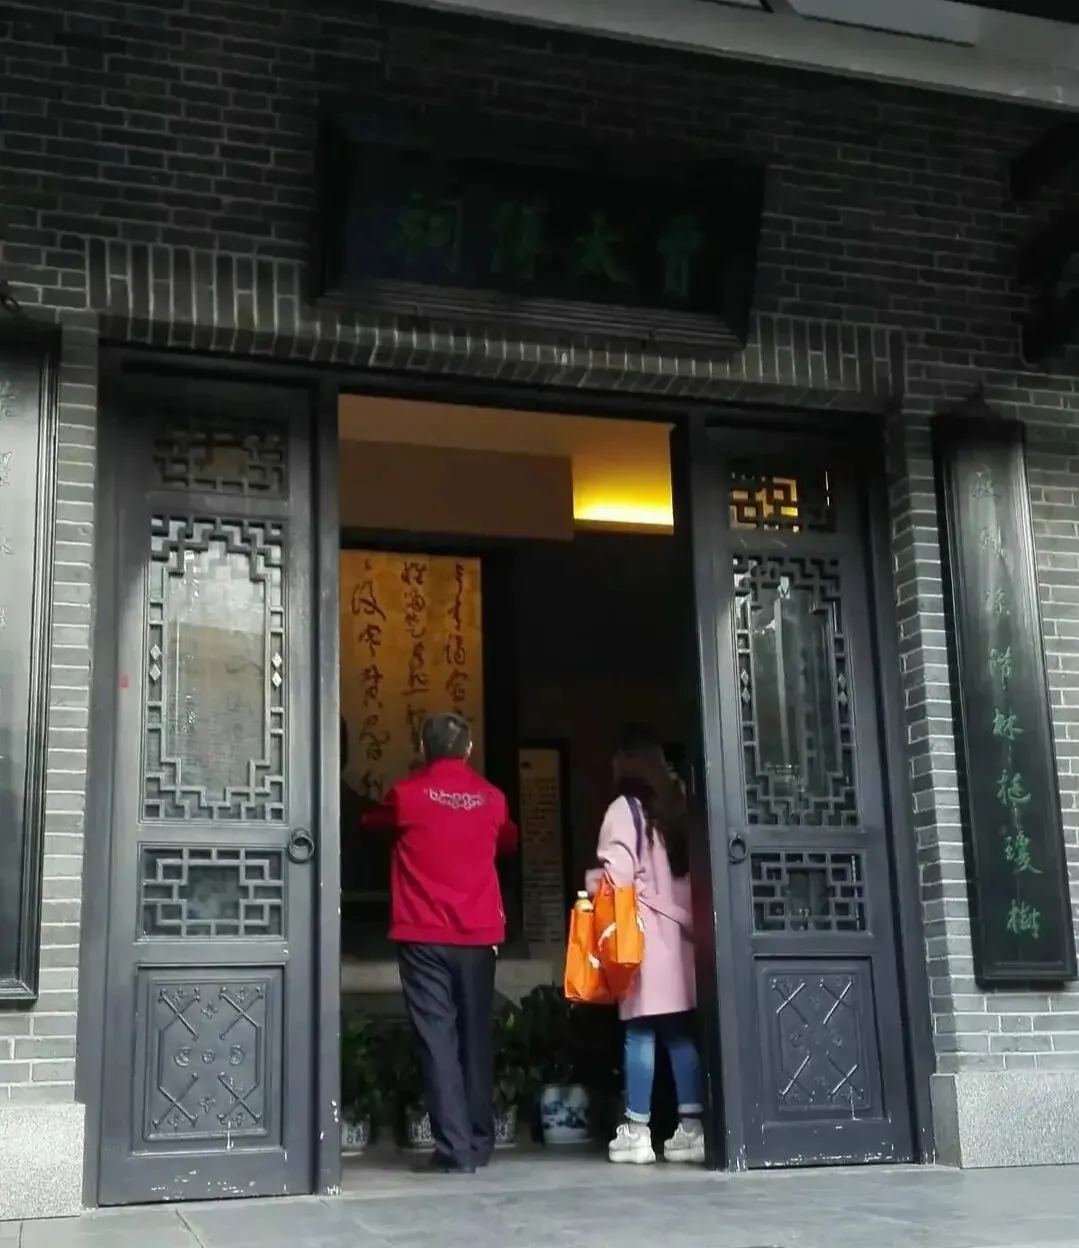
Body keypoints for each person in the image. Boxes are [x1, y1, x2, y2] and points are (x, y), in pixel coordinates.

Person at [361, 712, 518, 1174]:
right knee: (475, 1038)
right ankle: (480, 1140)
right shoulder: (492, 798)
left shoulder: (407, 796)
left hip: (424, 934)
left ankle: (455, 1149)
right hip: (479, 935)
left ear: (422, 749)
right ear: (468, 749)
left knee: (438, 1040)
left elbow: (368, 822)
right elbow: (509, 839)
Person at [588, 724, 705, 1166]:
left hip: (644, 936)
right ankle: (692, 1129)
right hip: (682, 938)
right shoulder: (681, 804)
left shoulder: (626, 810)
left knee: (639, 1031)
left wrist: (592, 886)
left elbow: (617, 877)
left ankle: (637, 1133)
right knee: (679, 1034)